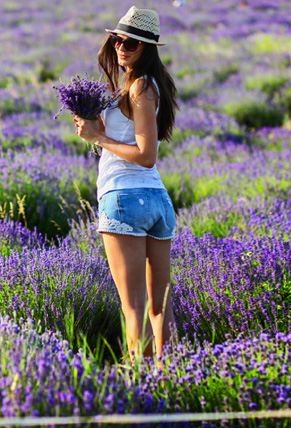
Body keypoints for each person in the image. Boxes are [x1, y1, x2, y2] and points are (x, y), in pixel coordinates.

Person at [73, 6, 179, 362]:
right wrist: (96, 129)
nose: (121, 47)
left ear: (148, 48)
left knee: (134, 307)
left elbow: (147, 155)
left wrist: (97, 138)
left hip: (124, 198)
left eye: (131, 43)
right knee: (160, 306)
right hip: (156, 202)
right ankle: (172, 379)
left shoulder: (140, 88)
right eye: (118, 39)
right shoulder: (141, 85)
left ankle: (144, 388)